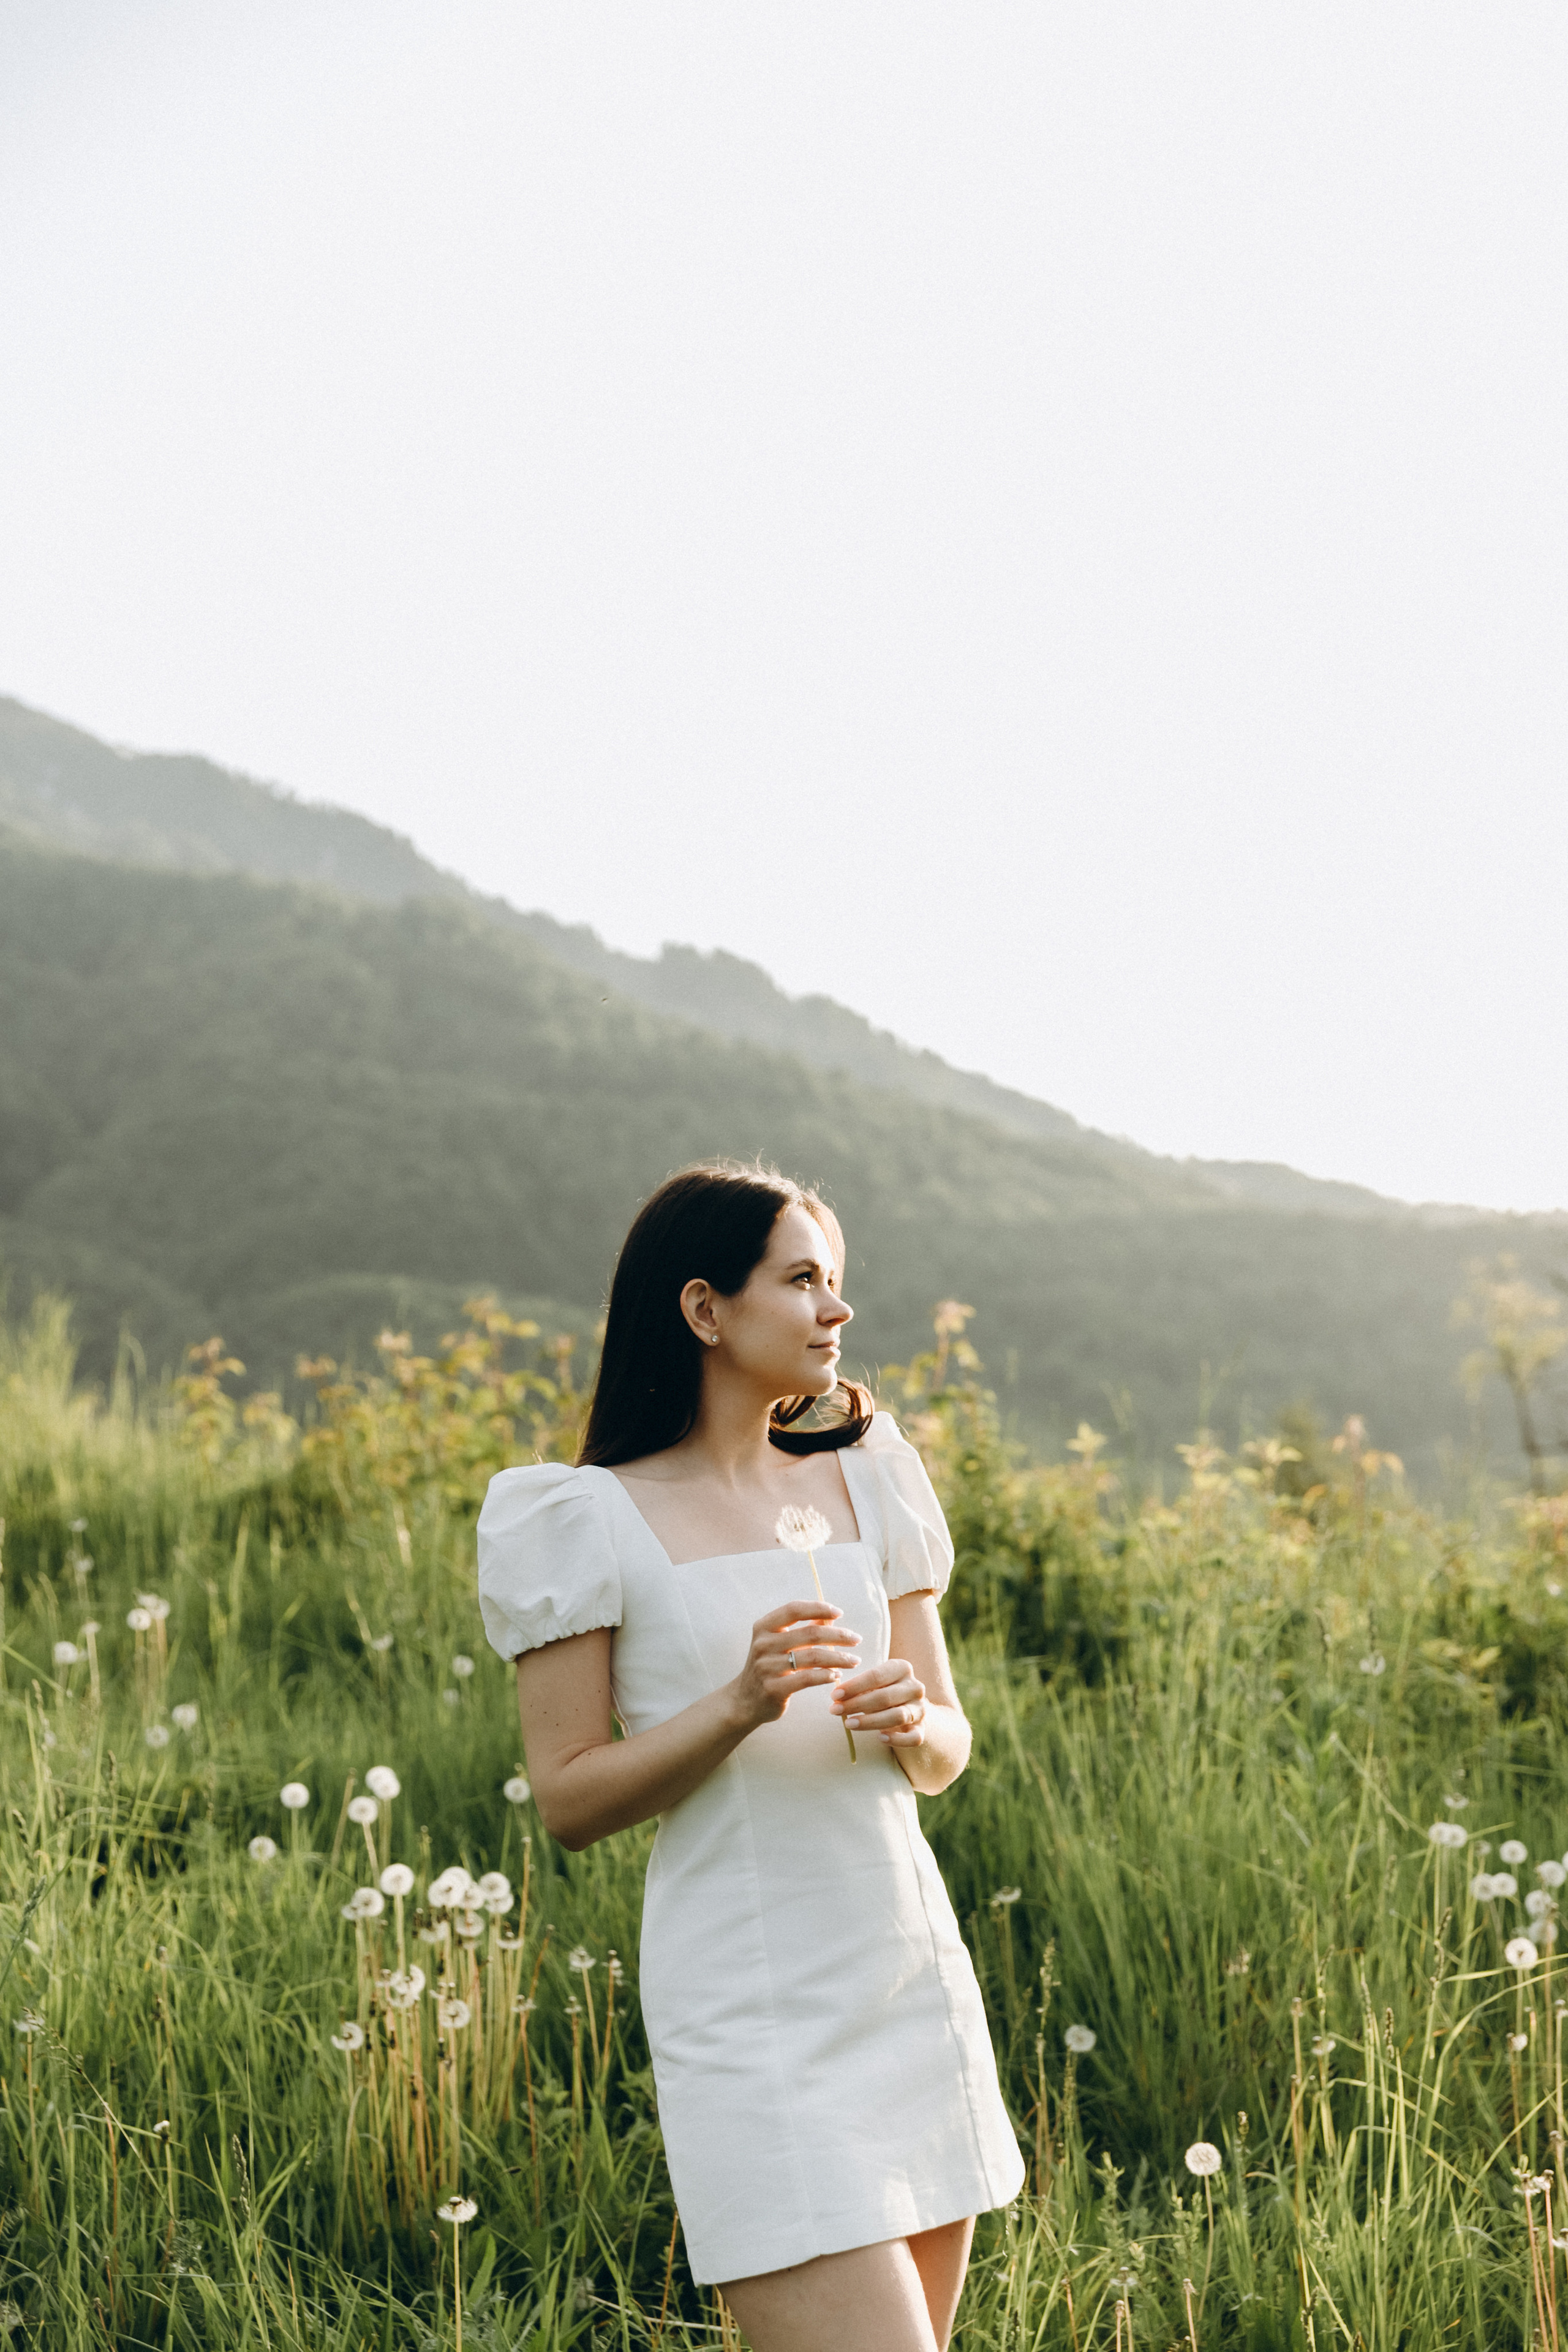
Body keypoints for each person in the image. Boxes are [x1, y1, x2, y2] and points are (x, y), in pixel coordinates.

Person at [477, 1163, 1023, 2352]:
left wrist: (909, 1720)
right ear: (704, 1310)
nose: (835, 1311)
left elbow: (947, 1746)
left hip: (903, 1976)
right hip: (753, 2005)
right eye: (802, 1280)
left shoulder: (870, 1474)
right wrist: (735, 1705)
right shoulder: (578, 1516)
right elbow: (566, 1799)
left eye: (837, 1283)